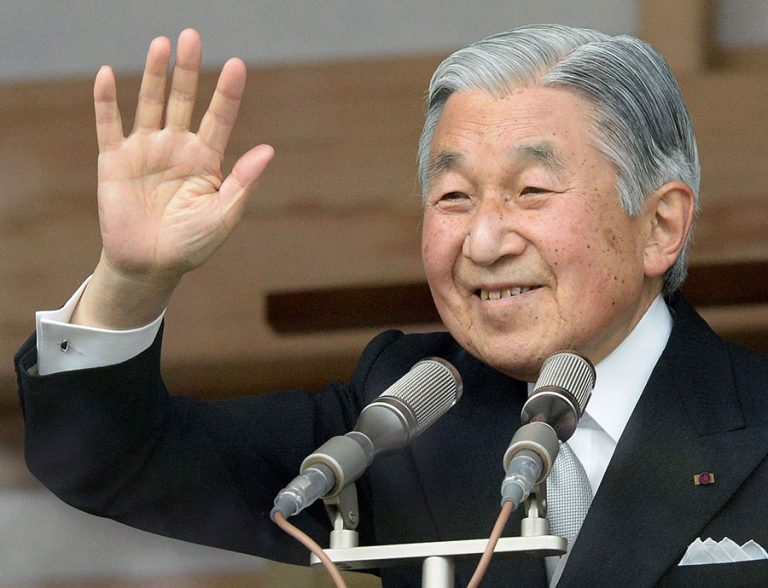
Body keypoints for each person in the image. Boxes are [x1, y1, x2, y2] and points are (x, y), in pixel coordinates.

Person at [15, 24, 768, 587]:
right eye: (454, 196)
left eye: (531, 191)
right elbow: (111, 459)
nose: (484, 240)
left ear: (659, 225)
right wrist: (131, 278)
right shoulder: (410, 410)